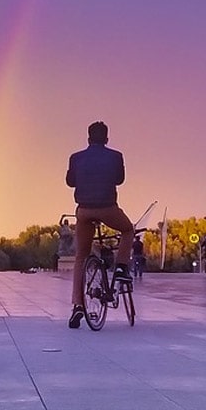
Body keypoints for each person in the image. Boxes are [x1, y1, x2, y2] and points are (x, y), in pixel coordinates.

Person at [65, 121, 134, 328]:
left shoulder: (76, 157)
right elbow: (120, 180)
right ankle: (121, 267)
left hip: (84, 210)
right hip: (108, 208)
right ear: (106, 138)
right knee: (128, 229)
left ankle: (77, 305)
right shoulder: (116, 156)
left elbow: (70, 182)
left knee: (81, 257)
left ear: (88, 138)